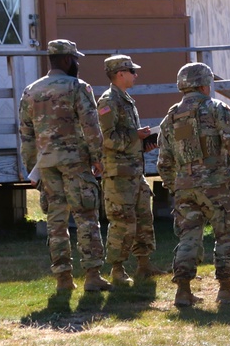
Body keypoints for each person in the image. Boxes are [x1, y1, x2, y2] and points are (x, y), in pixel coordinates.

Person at [157, 62, 230, 307]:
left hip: (185, 187)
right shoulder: (217, 109)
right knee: (226, 234)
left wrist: (175, 185)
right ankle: (225, 289)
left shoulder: (171, 116)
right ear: (204, 85)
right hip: (216, 184)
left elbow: (164, 160)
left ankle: (183, 291)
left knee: (188, 237)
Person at [19, 39, 110, 292]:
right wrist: (98, 159)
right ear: (68, 60)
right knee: (86, 217)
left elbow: (25, 134)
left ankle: (63, 279)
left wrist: (31, 169)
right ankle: (92, 276)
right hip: (75, 162)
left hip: (46, 165)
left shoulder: (31, 90)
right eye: (76, 59)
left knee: (56, 222)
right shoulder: (78, 87)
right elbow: (91, 126)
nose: (78, 64)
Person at [96, 54, 164, 285]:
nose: (136, 75)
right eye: (132, 71)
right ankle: (117, 269)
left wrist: (144, 143)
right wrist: (135, 136)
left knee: (144, 218)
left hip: (135, 171)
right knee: (123, 222)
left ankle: (144, 266)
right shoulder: (108, 102)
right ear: (120, 74)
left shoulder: (125, 99)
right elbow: (106, 139)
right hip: (119, 175)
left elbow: (126, 140)